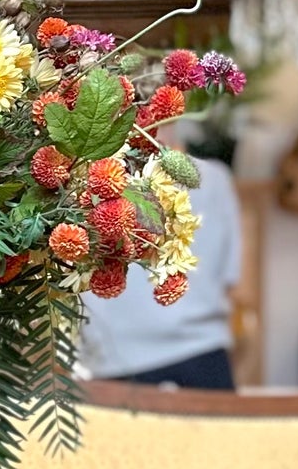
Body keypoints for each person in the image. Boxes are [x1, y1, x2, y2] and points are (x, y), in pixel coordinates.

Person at [79, 152, 242, 391]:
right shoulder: (213, 178)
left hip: (113, 360)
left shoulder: (83, 179)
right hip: (202, 353)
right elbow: (238, 287)